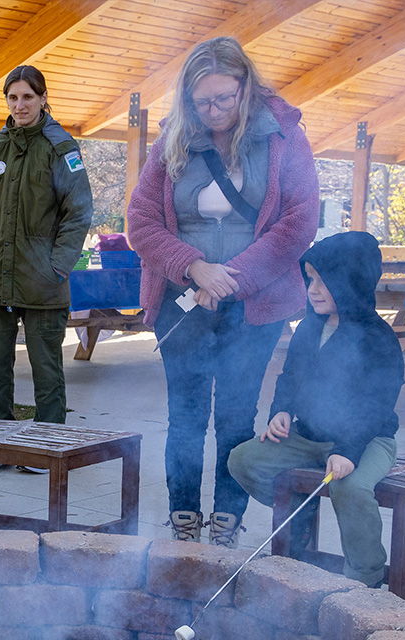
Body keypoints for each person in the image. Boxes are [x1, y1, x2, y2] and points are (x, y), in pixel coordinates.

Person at [126, 36, 320, 547]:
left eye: (223, 100)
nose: (212, 111)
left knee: (236, 417)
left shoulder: (283, 135)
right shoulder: (173, 138)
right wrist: (193, 267)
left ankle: (227, 521)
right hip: (183, 303)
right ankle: (183, 517)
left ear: (245, 88)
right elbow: (140, 221)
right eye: (201, 101)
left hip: (253, 305)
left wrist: (230, 275)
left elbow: (300, 222)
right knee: (186, 416)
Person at [229, 231, 402, 587]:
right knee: (243, 460)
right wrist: (280, 412)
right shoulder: (309, 328)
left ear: (352, 282)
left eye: (326, 282)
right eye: (310, 280)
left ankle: (365, 576)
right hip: (308, 437)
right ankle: (301, 513)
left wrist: (347, 453)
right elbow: (290, 377)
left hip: (367, 440)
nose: (314, 290)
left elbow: (375, 406)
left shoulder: (378, 339)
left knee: (349, 489)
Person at [0, 65, 93, 473]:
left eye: (28, 97)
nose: (20, 106)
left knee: (46, 368)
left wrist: (58, 265)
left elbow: (79, 212)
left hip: (44, 281)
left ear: (42, 98)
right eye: (13, 98)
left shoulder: (60, 147)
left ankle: (46, 446)